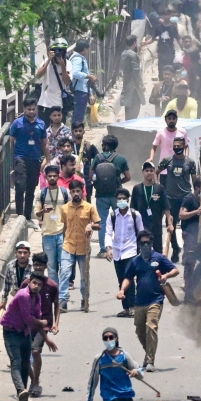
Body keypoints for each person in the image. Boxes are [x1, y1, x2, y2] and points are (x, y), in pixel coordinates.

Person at [117, 230, 179, 371]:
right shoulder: (135, 261)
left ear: (151, 244)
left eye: (148, 243)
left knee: (151, 326)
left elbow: (175, 270)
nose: (145, 245)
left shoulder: (159, 258)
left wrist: (166, 276)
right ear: (138, 244)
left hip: (156, 299)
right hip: (140, 301)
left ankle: (150, 360)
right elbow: (128, 277)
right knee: (140, 330)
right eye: (142, 243)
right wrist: (122, 290)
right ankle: (148, 353)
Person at [1, 273, 57, 401]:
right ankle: (21, 389)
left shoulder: (37, 298)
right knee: (16, 361)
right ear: (29, 283)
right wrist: (42, 322)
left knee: (26, 362)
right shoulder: (22, 295)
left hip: (24, 331)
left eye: (39, 285)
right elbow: (28, 319)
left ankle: (23, 393)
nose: (36, 286)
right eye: (34, 283)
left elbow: (35, 323)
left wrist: (46, 338)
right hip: (11, 330)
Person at [59, 179, 99, 312]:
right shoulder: (64, 209)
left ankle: (84, 298)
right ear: (70, 193)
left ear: (82, 192)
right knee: (64, 273)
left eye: (78, 191)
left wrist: (91, 225)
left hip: (83, 247)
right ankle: (63, 301)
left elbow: (98, 224)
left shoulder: (89, 207)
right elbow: (64, 227)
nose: (76, 194)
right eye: (73, 191)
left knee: (84, 276)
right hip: (68, 246)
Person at [105, 188, 145, 317]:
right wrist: (108, 248)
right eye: (119, 199)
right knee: (121, 279)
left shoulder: (135, 215)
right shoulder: (112, 216)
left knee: (129, 279)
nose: (121, 201)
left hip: (131, 251)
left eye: (124, 198)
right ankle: (126, 308)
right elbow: (108, 233)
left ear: (128, 200)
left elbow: (141, 233)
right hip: (117, 252)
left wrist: (143, 250)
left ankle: (133, 306)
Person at [158, 134, 197, 261]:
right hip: (170, 198)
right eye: (174, 146)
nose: (176, 148)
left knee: (187, 227)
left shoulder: (190, 162)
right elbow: (156, 172)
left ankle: (187, 252)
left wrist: (198, 195)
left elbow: (194, 180)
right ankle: (175, 248)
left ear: (184, 146)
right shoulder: (167, 160)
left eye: (179, 146)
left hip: (185, 197)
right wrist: (158, 186)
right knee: (170, 225)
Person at [91, 135, 131, 255]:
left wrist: (97, 182)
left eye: (103, 144)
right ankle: (120, 247)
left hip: (101, 195)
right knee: (120, 219)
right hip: (117, 195)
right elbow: (128, 177)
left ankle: (103, 249)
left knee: (102, 221)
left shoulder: (97, 158)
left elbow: (91, 176)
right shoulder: (121, 159)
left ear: (106, 145)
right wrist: (119, 182)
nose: (102, 146)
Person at [10, 97, 47, 222]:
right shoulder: (17, 123)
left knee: (31, 188)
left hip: (35, 159)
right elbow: (11, 141)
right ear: (24, 109)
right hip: (20, 158)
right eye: (28, 109)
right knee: (20, 185)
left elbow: (44, 143)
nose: (31, 111)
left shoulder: (41, 124)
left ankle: (27, 216)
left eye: (33, 109)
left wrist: (48, 159)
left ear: (36, 108)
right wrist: (13, 158)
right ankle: (20, 215)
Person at [27, 252, 59, 396]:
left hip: (44, 324)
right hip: (27, 323)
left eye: (40, 265)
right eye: (35, 265)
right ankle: (33, 379)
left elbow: (57, 305)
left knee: (35, 351)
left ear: (46, 266)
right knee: (24, 355)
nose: (38, 267)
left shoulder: (51, 285)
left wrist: (56, 324)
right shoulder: (26, 283)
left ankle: (35, 381)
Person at [130, 162, 167, 253]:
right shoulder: (137, 188)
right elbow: (132, 209)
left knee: (158, 252)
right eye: (146, 171)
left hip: (156, 226)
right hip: (141, 226)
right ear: (143, 172)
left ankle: (157, 267)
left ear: (154, 172)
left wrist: (169, 223)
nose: (149, 173)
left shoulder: (159, 188)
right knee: (141, 251)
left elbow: (166, 206)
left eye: (151, 170)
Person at [69, 39, 97, 125]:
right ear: (84, 48)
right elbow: (75, 73)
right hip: (80, 91)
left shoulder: (78, 58)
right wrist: (89, 76)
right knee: (78, 116)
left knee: (79, 115)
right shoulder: (77, 59)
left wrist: (90, 93)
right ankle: (76, 135)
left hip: (82, 90)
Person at [0, 241, 33, 311]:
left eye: (25, 253)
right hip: (17, 297)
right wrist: (4, 300)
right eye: (20, 252)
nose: (22, 255)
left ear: (29, 254)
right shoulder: (10, 266)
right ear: (15, 253)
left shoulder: (33, 267)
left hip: (31, 299)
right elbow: (7, 284)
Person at [119, 34, 145, 121]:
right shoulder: (132, 55)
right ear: (134, 43)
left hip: (127, 84)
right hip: (134, 87)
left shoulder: (124, 53)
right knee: (135, 108)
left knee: (128, 108)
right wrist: (141, 84)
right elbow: (136, 71)